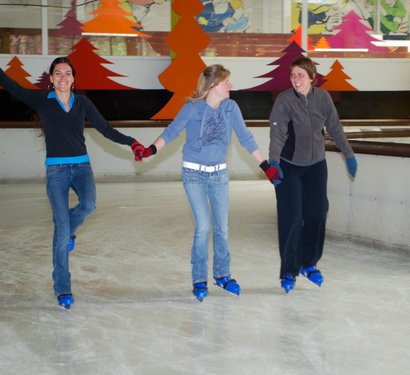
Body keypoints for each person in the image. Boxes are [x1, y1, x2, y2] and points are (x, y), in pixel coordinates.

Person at [0, 57, 145, 309]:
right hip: (56, 171)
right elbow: (12, 86)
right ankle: (63, 286)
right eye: (58, 73)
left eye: (67, 73)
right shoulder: (41, 100)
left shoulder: (83, 103)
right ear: (51, 79)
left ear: (74, 79)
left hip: (82, 168)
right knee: (60, 228)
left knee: (88, 205)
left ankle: (69, 231)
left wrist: (132, 141)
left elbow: (105, 129)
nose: (63, 78)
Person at [141, 64, 281, 302]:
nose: (231, 86)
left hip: (219, 175)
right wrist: (152, 149)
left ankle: (222, 275)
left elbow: (245, 137)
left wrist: (265, 166)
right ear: (213, 85)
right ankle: (199, 278)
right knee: (203, 227)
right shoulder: (191, 109)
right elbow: (172, 131)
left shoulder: (231, 108)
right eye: (227, 82)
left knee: (222, 228)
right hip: (193, 174)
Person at [268, 57, 357, 293]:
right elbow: (277, 134)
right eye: (293, 75)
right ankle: (289, 270)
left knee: (318, 213)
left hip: (316, 165)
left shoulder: (323, 97)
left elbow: (335, 128)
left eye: (300, 75)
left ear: (311, 77)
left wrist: (348, 154)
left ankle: (309, 263)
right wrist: (274, 163)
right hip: (289, 165)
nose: (295, 79)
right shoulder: (284, 100)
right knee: (292, 216)